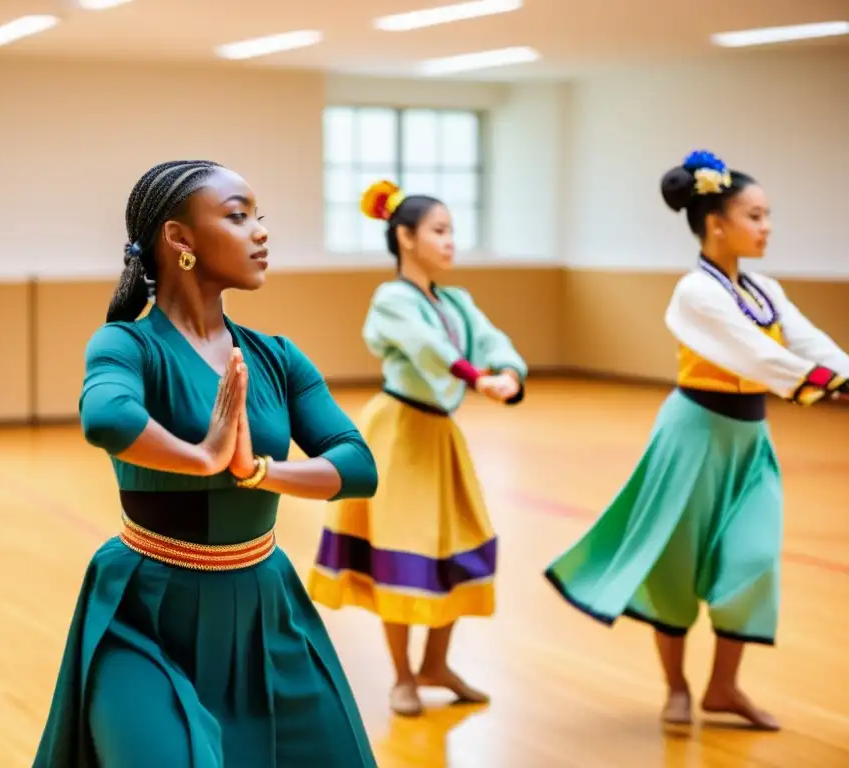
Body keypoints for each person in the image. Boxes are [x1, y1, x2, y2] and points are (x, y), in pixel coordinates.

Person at [32, 161, 380, 768]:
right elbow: (106, 419)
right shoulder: (126, 344)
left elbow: (357, 465)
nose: (260, 232)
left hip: (263, 605)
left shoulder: (276, 356)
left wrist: (258, 471)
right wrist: (203, 457)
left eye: (259, 218)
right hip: (146, 610)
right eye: (238, 215)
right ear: (179, 239)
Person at [544, 150, 849, 732]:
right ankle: (677, 686)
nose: (767, 227)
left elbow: (810, 342)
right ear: (716, 223)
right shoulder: (695, 291)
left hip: (748, 440)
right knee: (676, 564)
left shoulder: (766, 289)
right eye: (755, 216)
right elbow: (758, 354)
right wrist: (825, 385)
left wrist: (844, 371)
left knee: (753, 557)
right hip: (693, 436)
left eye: (767, 216)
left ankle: (724, 686)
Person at [306, 180, 528, 717]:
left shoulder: (456, 300)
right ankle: (402, 674)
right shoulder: (391, 300)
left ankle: (435, 662)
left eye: (452, 231)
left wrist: (509, 374)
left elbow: (492, 338)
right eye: (439, 230)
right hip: (399, 433)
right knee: (401, 545)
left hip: (439, 435)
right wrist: (477, 378)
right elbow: (427, 348)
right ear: (405, 237)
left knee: (457, 540)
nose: (450, 241)